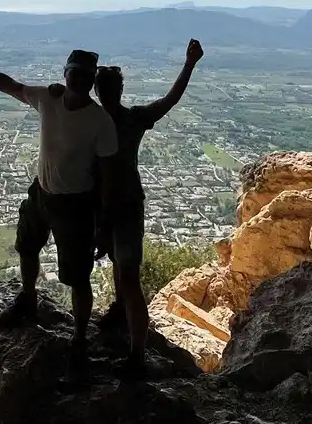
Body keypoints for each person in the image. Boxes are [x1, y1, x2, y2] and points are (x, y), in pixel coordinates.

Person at [0, 46, 118, 369]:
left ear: (91, 81)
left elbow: (108, 178)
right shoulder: (48, 99)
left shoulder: (100, 122)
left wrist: (104, 226)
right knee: (26, 246)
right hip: (42, 194)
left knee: (78, 277)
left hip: (76, 206)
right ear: (65, 74)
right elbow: (8, 85)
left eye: (84, 76)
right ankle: (28, 298)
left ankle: (79, 340)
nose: (78, 80)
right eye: (74, 73)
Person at [92, 38, 204, 377]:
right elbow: (169, 100)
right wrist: (189, 65)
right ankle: (120, 311)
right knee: (121, 266)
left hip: (119, 206)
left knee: (127, 274)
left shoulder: (100, 121)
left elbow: (169, 100)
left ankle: (137, 354)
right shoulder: (131, 118)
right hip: (117, 205)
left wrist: (189, 65)